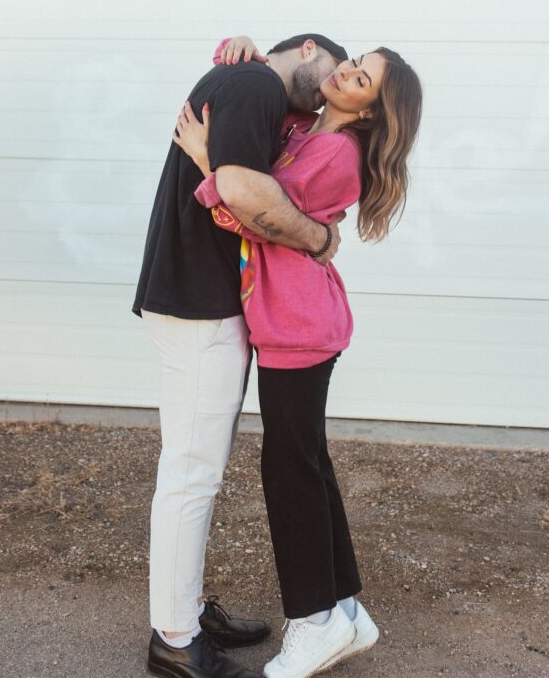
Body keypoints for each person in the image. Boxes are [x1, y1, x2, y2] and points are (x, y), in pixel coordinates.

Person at [174, 35, 423, 678]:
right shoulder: (310, 130)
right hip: (295, 319)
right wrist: (250, 50)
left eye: (362, 79)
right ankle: (343, 609)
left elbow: (253, 208)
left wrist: (209, 165)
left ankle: (313, 624)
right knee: (306, 459)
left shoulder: (339, 151)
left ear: (369, 111)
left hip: (299, 325)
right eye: (355, 61)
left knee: (289, 471)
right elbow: (272, 109)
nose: (346, 71)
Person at [133, 33, 351, 678]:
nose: (335, 90)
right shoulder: (257, 85)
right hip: (200, 300)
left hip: (201, 295)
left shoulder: (255, 87)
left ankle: (186, 609)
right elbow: (245, 194)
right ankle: (175, 640)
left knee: (197, 464)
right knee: (192, 470)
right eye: (339, 71)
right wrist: (318, 237)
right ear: (309, 49)